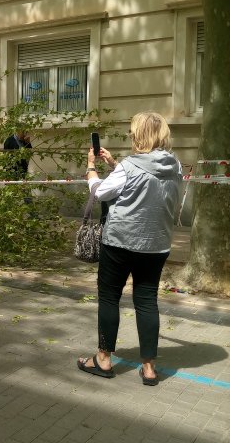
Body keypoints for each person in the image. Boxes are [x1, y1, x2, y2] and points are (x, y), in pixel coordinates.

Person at [77, 112, 182, 386]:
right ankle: (149, 367)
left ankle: (103, 359)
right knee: (147, 301)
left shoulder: (129, 166)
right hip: (157, 244)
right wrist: (113, 163)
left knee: (110, 298)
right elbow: (142, 186)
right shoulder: (176, 166)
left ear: (139, 135)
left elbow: (100, 192)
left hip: (121, 242)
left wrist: (91, 168)